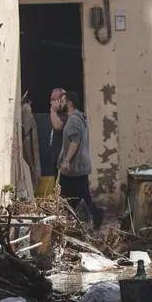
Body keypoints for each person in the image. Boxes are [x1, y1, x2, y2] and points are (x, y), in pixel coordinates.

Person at [57, 91, 104, 228]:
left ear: (70, 103)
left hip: (73, 168)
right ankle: (92, 215)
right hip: (78, 168)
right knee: (79, 197)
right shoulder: (79, 117)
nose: (61, 104)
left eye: (63, 101)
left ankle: (90, 216)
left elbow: (75, 141)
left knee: (67, 197)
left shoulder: (74, 120)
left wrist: (66, 161)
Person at [48, 87, 68, 175]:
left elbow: (57, 126)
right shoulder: (57, 114)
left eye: (53, 100)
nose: (51, 103)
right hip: (56, 157)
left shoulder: (67, 114)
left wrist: (53, 110)